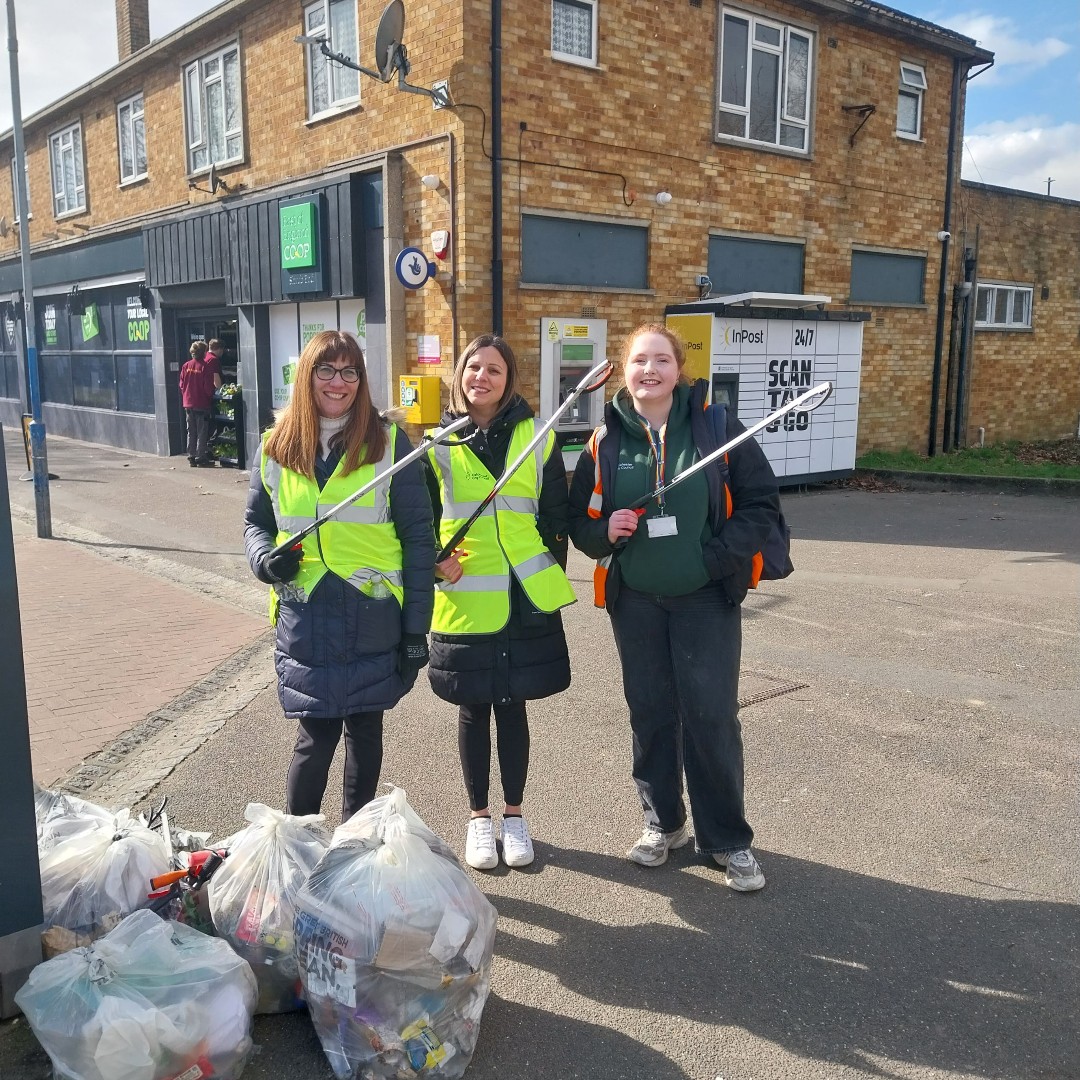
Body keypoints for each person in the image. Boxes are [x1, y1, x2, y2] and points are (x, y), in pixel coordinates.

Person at [568, 322, 783, 892]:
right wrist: (604, 532)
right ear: (625, 368)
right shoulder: (605, 441)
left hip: (704, 599)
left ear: (677, 370)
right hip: (635, 601)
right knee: (651, 714)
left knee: (711, 716)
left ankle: (729, 839)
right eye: (639, 360)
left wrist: (714, 559)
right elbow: (581, 525)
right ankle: (663, 822)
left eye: (661, 360)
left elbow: (760, 505)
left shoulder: (716, 427)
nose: (650, 370)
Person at [243, 330, 434, 821]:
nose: (338, 382)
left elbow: (417, 539)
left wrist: (416, 630)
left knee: (365, 730)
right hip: (307, 613)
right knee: (315, 735)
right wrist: (265, 560)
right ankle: (298, 842)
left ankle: (355, 844)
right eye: (326, 370)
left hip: (371, 611)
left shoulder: (390, 442)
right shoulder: (275, 445)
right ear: (307, 376)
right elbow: (256, 524)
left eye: (350, 371)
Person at [424, 334, 575, 870]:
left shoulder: (538, 438)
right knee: (473, 708)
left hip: (523, 595)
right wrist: (437, 561)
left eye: (494, 370)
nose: (481, 378)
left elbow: (557, 516)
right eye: (473, 368)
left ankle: (514, 816)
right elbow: (419, 523)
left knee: (514, 708)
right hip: (464, 597)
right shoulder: (437, 442)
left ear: (509, 380)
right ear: (459, 376)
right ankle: (478, 819)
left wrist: (546, 570)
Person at [179, 340, 215, 466]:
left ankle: (191, 455)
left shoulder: (186, 366)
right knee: (202, 432)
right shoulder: (205, 367)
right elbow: (208, 388)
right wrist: (210, 396)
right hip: (201, 403)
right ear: (204, 352)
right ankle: (201, 457)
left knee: (191, 431)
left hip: (188, 404)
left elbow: (182, 385)